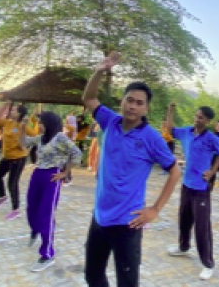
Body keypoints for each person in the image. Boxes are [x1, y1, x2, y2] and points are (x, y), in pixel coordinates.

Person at [82, 52, 181, 287]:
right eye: (130, 100)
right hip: (99, 217)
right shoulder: (110, 121)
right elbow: (89, 98)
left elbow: (175, 171)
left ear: (146, 109)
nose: (133, 106)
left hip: (127, 223)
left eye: (139, 103)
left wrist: (155, 209)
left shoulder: (151, 138)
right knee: (92, 276)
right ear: (122, 102)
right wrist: (99, 70)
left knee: (127, 282)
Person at [166, 105, 219, 281]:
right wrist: (170, 112)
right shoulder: (186, 132)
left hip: (201, 188)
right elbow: (170, 129)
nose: (196, 119)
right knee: (184, 219)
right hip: (187, 185)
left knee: (202, 226)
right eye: (196, 115)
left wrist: (212, 171)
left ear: (207, 120)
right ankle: (183, 247)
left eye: (200, 117)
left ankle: (208, 264)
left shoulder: (210, 138)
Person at [19, 110, 82, 272]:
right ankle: (35, 229)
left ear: (48, 124)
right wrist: (23, 126)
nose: (38, 125)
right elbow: (23, 143)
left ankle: (47, 255)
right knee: (31, 208)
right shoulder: (41, 139)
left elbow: (77, 153)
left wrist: (65, 173)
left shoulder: (60, 138)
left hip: (51, 178)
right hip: (37, 174)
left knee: (46, 215)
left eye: (40, 123)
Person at [0, 103, 39, 221]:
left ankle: (15, 210)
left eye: (14, 111)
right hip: (7, 157)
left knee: (12, 183)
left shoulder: (23, 126)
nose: (11, 112)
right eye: (11, 110)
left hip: (18, 158)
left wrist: (25, 145)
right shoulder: (8, 122)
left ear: (20, 114)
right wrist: (3, 106)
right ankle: (2, 197)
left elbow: (36, 137)